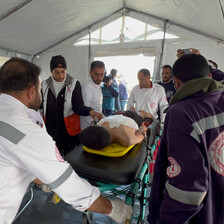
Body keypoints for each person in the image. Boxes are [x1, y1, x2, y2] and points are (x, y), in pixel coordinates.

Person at [0, 57, 133, 224]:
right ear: (31, 91)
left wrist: (39, 176)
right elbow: (68, 185)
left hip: (67, 130)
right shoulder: (26, 131)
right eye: (40, 89)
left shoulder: (15, 123)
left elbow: (9, 153)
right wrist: (112, 208)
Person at [148, 54, 224, 224]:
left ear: (176, 82)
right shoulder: (221, 98)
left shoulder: (182, 113)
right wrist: (205, 66)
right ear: (210, 76)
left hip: (202, 215)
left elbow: (187, 189)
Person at [40, 55, 102, 156]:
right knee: (54, 158)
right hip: (51, 131)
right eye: (57, 72)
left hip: (69, 131)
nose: (61, 76)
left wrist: (89, 111)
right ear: (51, 71)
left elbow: (77, 106)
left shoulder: (73, 84)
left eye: (63, 71)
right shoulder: (44, 85)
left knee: (71, 158)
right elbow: (40, 105)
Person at [80, 110, 148, 149]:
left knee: (141, 114)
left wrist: (143, 127)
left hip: (131, 119)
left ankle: (144, 114)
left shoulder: (127, 139)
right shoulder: (99, 125)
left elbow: (142, 132)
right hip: (114, 117)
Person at [80, 61, 105, 130]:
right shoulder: (87, 86)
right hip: (88, 127)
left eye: (101, 74)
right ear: (90, 72)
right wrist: (96, 123)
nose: (99, 78)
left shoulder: (98, 85)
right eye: (96, 74)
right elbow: (86, 109)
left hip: (96, 124)